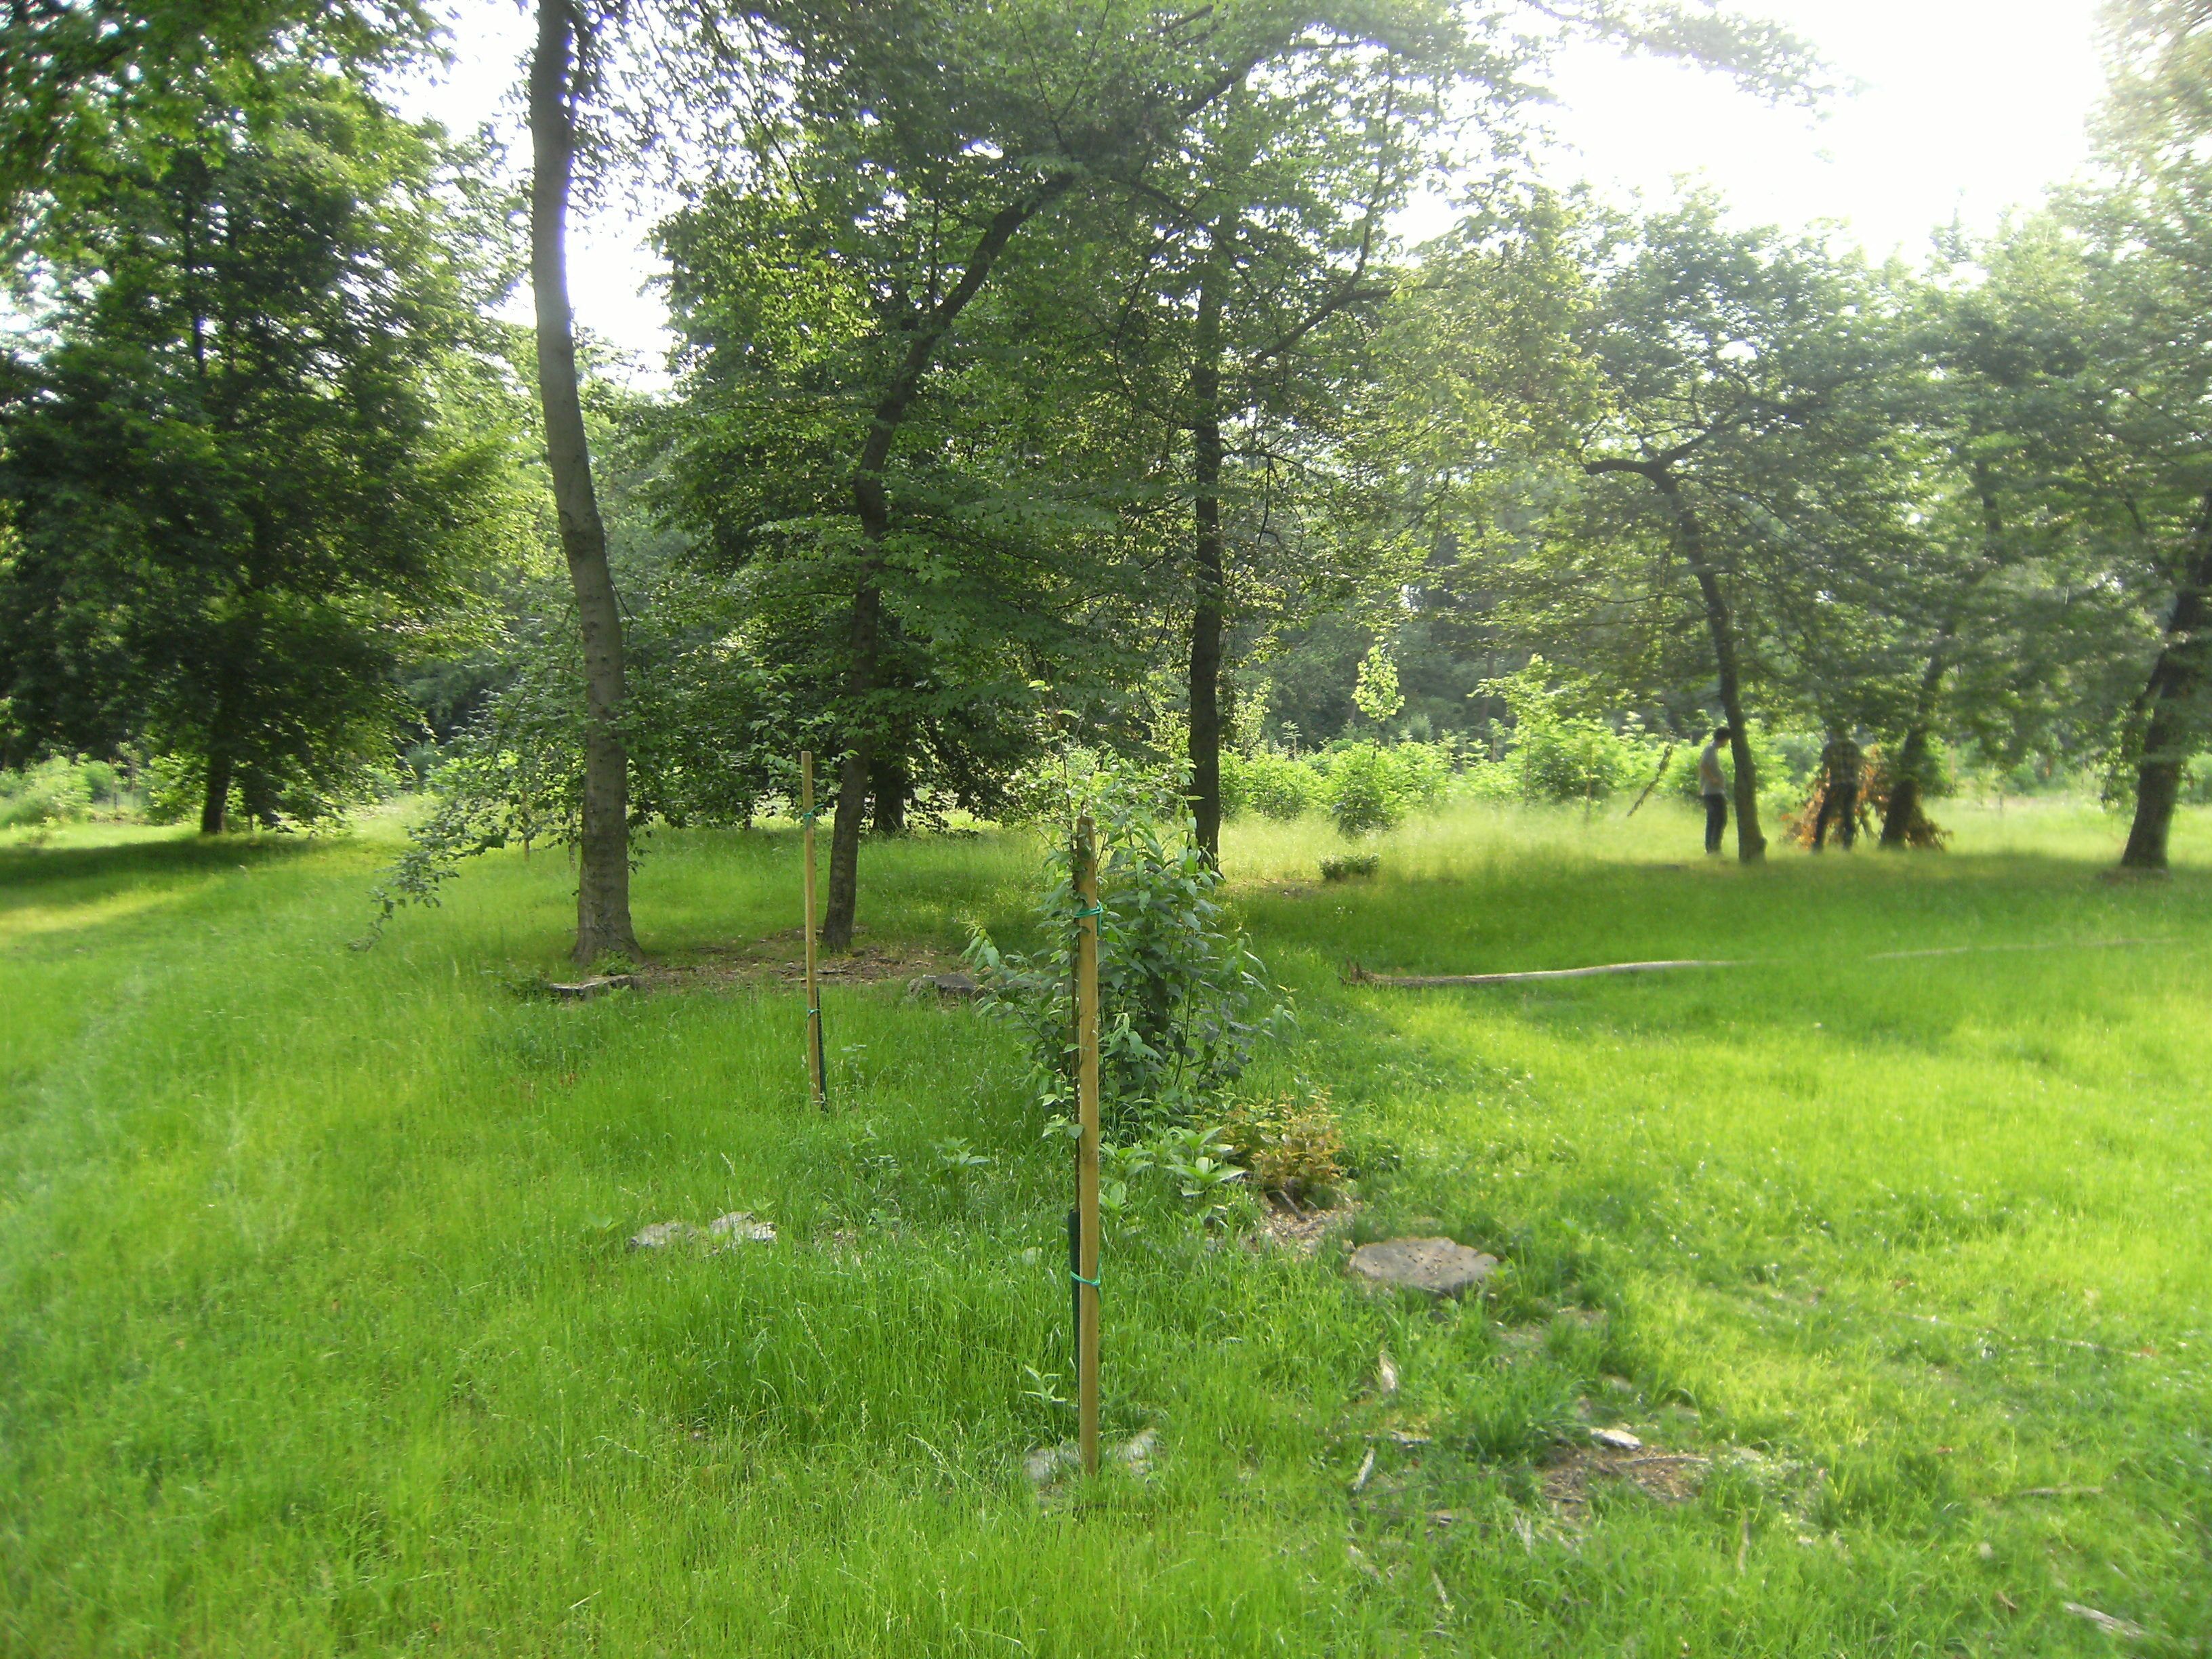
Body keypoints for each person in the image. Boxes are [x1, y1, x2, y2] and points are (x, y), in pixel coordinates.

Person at [1698, 726, 1732, 855]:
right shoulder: (1710, 749)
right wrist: (1713, 780)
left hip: (1715, 791)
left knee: (1714, 819)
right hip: (1712, 792)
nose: (1727, 743)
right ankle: (1713, 847)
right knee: (1719, 819)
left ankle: (1712, 847)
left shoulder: (1712, 750)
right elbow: (1703, 765)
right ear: (1723, 739)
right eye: (1727, 740)